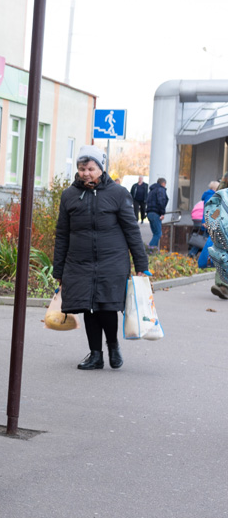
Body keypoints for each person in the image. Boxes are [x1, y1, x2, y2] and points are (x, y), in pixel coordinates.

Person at [52, 146, 149, 371]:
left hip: (112, 260)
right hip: (79, 261)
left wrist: (141, 265)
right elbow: (62, 234)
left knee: (106, 305)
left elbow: (132, 231)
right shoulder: (69, 195)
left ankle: (113, 347)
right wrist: (59, 270)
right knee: (88, 307)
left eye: (91, 168)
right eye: (82, 168)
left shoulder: (118, 193)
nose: (86, 173)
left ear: (101, 169)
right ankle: (96, 354)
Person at [145, 177, 168, 249]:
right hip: (156, 214)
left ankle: (154, 250)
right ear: (163, 183)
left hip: (150, 213)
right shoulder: (161, 189)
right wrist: (162, 213)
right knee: (158, 234)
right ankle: (149, 249)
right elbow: (161, 201)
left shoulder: (151, 191)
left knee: (155, 234)